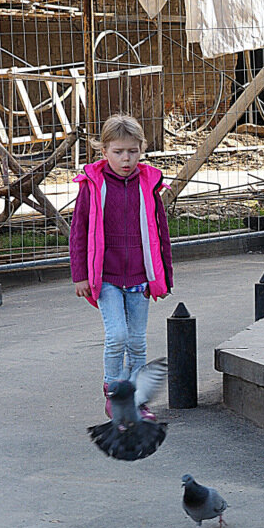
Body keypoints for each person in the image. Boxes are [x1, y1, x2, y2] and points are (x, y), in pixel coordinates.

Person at [69, 114, 172, 420]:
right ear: (104, 151)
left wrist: (164, 277)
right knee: (117, 336)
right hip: (107, 276)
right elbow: (78, 231)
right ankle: (114, 392)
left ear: (142, 150)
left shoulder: (148, 185)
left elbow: (161, 232)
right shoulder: (92, 185)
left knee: (137, 342)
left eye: (132, 151)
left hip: (140, 276)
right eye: (118, 152)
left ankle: (136, 400)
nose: (126, 159)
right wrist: (80, 275)